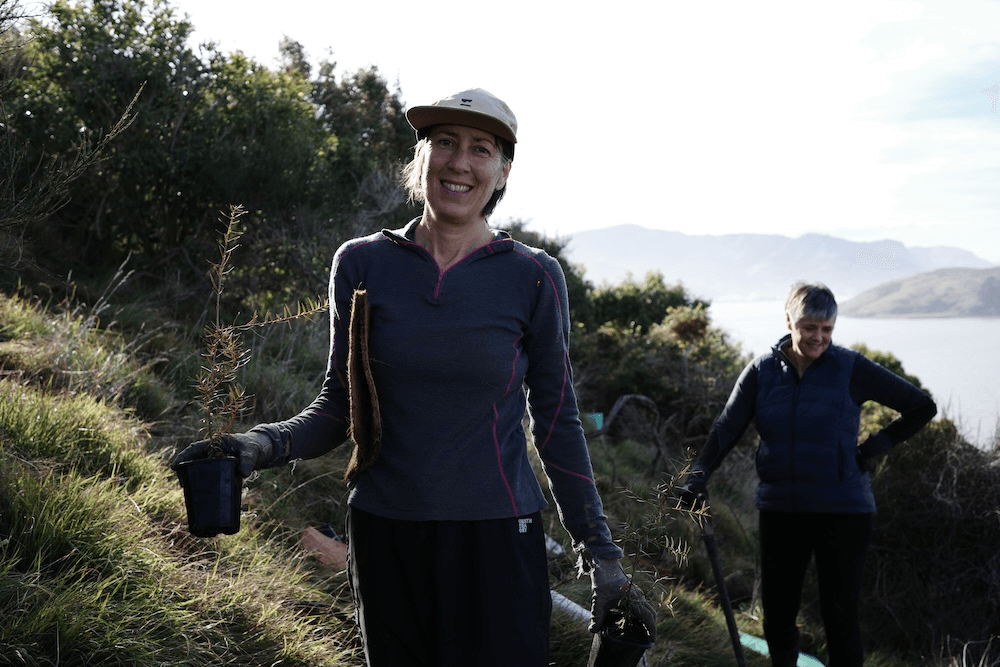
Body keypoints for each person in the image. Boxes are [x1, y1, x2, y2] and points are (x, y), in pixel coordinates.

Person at [172, 88, 653, 667]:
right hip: (385, 531)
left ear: (502, 173)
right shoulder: (362, 263)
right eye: (444, 142)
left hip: (496, 536)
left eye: (481, 148)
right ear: (419, 160)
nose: (459, 161)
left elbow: (555, 422)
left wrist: (600, 554)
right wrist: (256, 445)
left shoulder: (532, 277)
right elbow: (338, 406)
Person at [678, 282, 936, 667]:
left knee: (840, 616)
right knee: (778, 614)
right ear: (788, 320)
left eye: (827, 329)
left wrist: (871, 449)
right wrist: (698, 473)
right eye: (809, 327)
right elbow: (726, 427)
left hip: (844, 509)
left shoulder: (851, 366)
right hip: (782, 508)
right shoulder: (762, 371)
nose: (818, 337)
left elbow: (921, 407)